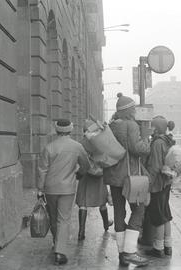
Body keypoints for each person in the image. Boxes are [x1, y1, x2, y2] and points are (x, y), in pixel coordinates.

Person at [103, 93, 150, 267]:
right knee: (139, 209)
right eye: (134, 108)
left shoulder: (112, 125)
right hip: (130, 177)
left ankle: (122, 254)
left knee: (119, 213)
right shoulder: (131, 125)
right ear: (129, 110)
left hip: (113, 177)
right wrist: (146, 140)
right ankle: (130, 251)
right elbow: (137, 149)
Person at [37, 119, 90, 265]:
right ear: (71, 130)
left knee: (53, 217)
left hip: (50, 188)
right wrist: (79, 174)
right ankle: (60, 252)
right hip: (67, 188)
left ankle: (56, 243)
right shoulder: (77, 147)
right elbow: (86, 165)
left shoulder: (49, 147)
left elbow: (42, 170)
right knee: (64, 219)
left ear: (56, 130)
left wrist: (40, 190)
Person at [76, 120, 113, 241]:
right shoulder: (100, 142)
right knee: (102, 201)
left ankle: (81, 232)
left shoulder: (81, 143)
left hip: (86, 174)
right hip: (99, 175)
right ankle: (106, 224)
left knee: (83, 203)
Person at [146, 116, 175, 258]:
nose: (150, 128)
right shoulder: (167, 140)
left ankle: (158, 248)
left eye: (152, 126)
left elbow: (155, 167)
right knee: (166, 214)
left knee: (158, 216)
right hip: (166, 183)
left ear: (157, 128)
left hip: (157, 184)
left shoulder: (157, 143)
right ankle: (168, 246)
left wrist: (148, 185)